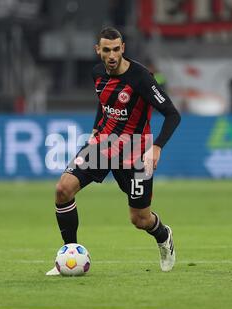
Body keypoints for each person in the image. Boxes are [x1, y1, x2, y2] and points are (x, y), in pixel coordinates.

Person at [46, 27, 181, 276]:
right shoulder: (97, 73)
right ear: (98, 50)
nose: (111, 55)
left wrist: (157, 147)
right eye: (106, 50)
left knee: (140, 219)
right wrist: (97, 128)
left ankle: (163, 235)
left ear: (123, 49)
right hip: (104, 146)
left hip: (135, 153)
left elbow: (173, 114)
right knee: (63, 190)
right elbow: (104, 103)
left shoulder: (141, 77)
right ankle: (70, 253)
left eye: (116, 49)